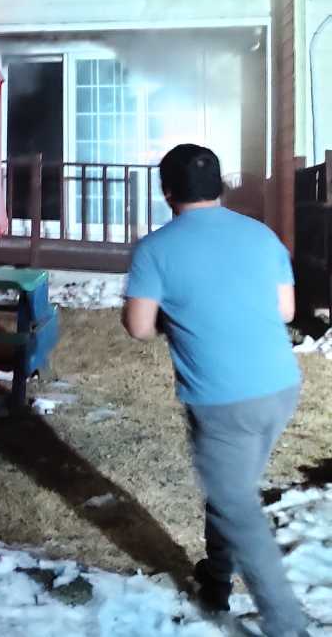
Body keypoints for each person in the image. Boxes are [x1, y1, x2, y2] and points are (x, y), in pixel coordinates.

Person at [122, 143, 306, 636]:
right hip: (280, 388)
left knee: (237, 506)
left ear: (167, 192)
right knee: (231, 488)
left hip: (223, 402)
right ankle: (216, 579)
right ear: (219, 186)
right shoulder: (261, 235)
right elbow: (286, 311)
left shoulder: (156, 249)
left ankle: (287, 626)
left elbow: (138, 327)